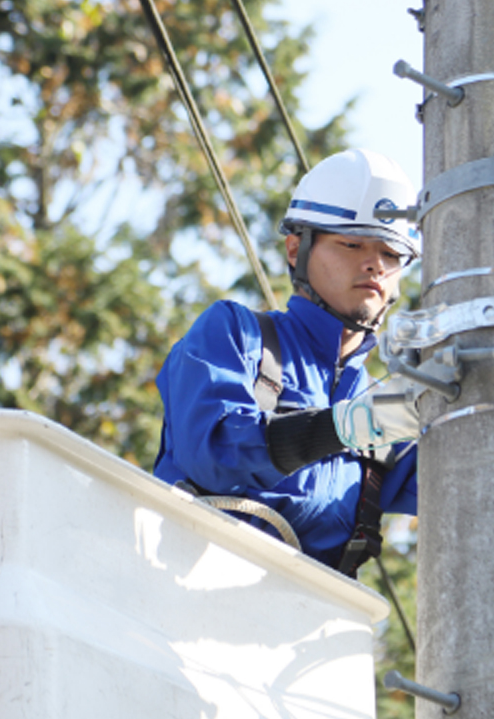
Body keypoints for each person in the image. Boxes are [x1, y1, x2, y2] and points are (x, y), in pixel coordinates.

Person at [153, 148, 421, 576]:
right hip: (190, 595)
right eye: (352, 243)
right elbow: (215, 451)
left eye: (392, 254)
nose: (374, 264)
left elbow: (462, 484)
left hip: (307, 623)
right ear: (296, 250)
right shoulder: (239, 336)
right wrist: (342, 427)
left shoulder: (381, 404)